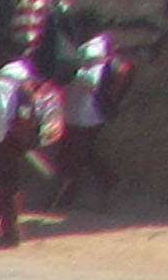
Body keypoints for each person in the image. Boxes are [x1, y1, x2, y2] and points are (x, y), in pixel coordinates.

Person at [0, 48, 52, 250]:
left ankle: (10, 233)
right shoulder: (27, 76)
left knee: (6, 183)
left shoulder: (2, 82)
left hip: (4, 138)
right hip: (20, 135)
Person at [50, 13, 125, 209]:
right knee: (79, 152)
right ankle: (69, 194)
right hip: (82, 110)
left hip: (86, 111)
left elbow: (91, 81)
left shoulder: (93, 52)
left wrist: (70, 72)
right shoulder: (98, 48)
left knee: (82, 153)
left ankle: (107, 183)